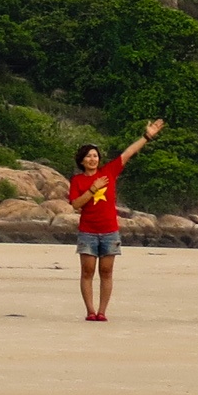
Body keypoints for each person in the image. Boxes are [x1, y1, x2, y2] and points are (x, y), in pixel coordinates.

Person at [68, 119, 163, 322]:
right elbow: (76, 204)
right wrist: (93, 189)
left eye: (95, 156)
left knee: (106, 271)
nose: (93, 159)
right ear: (82, 160)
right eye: (89, 156)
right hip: (88, 231)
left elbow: (128, 153)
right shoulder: (78, 180)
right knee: (87, 271)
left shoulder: (108, 172)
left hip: (110, 230)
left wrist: (147, 136)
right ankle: (90, 311)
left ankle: (102, 312)